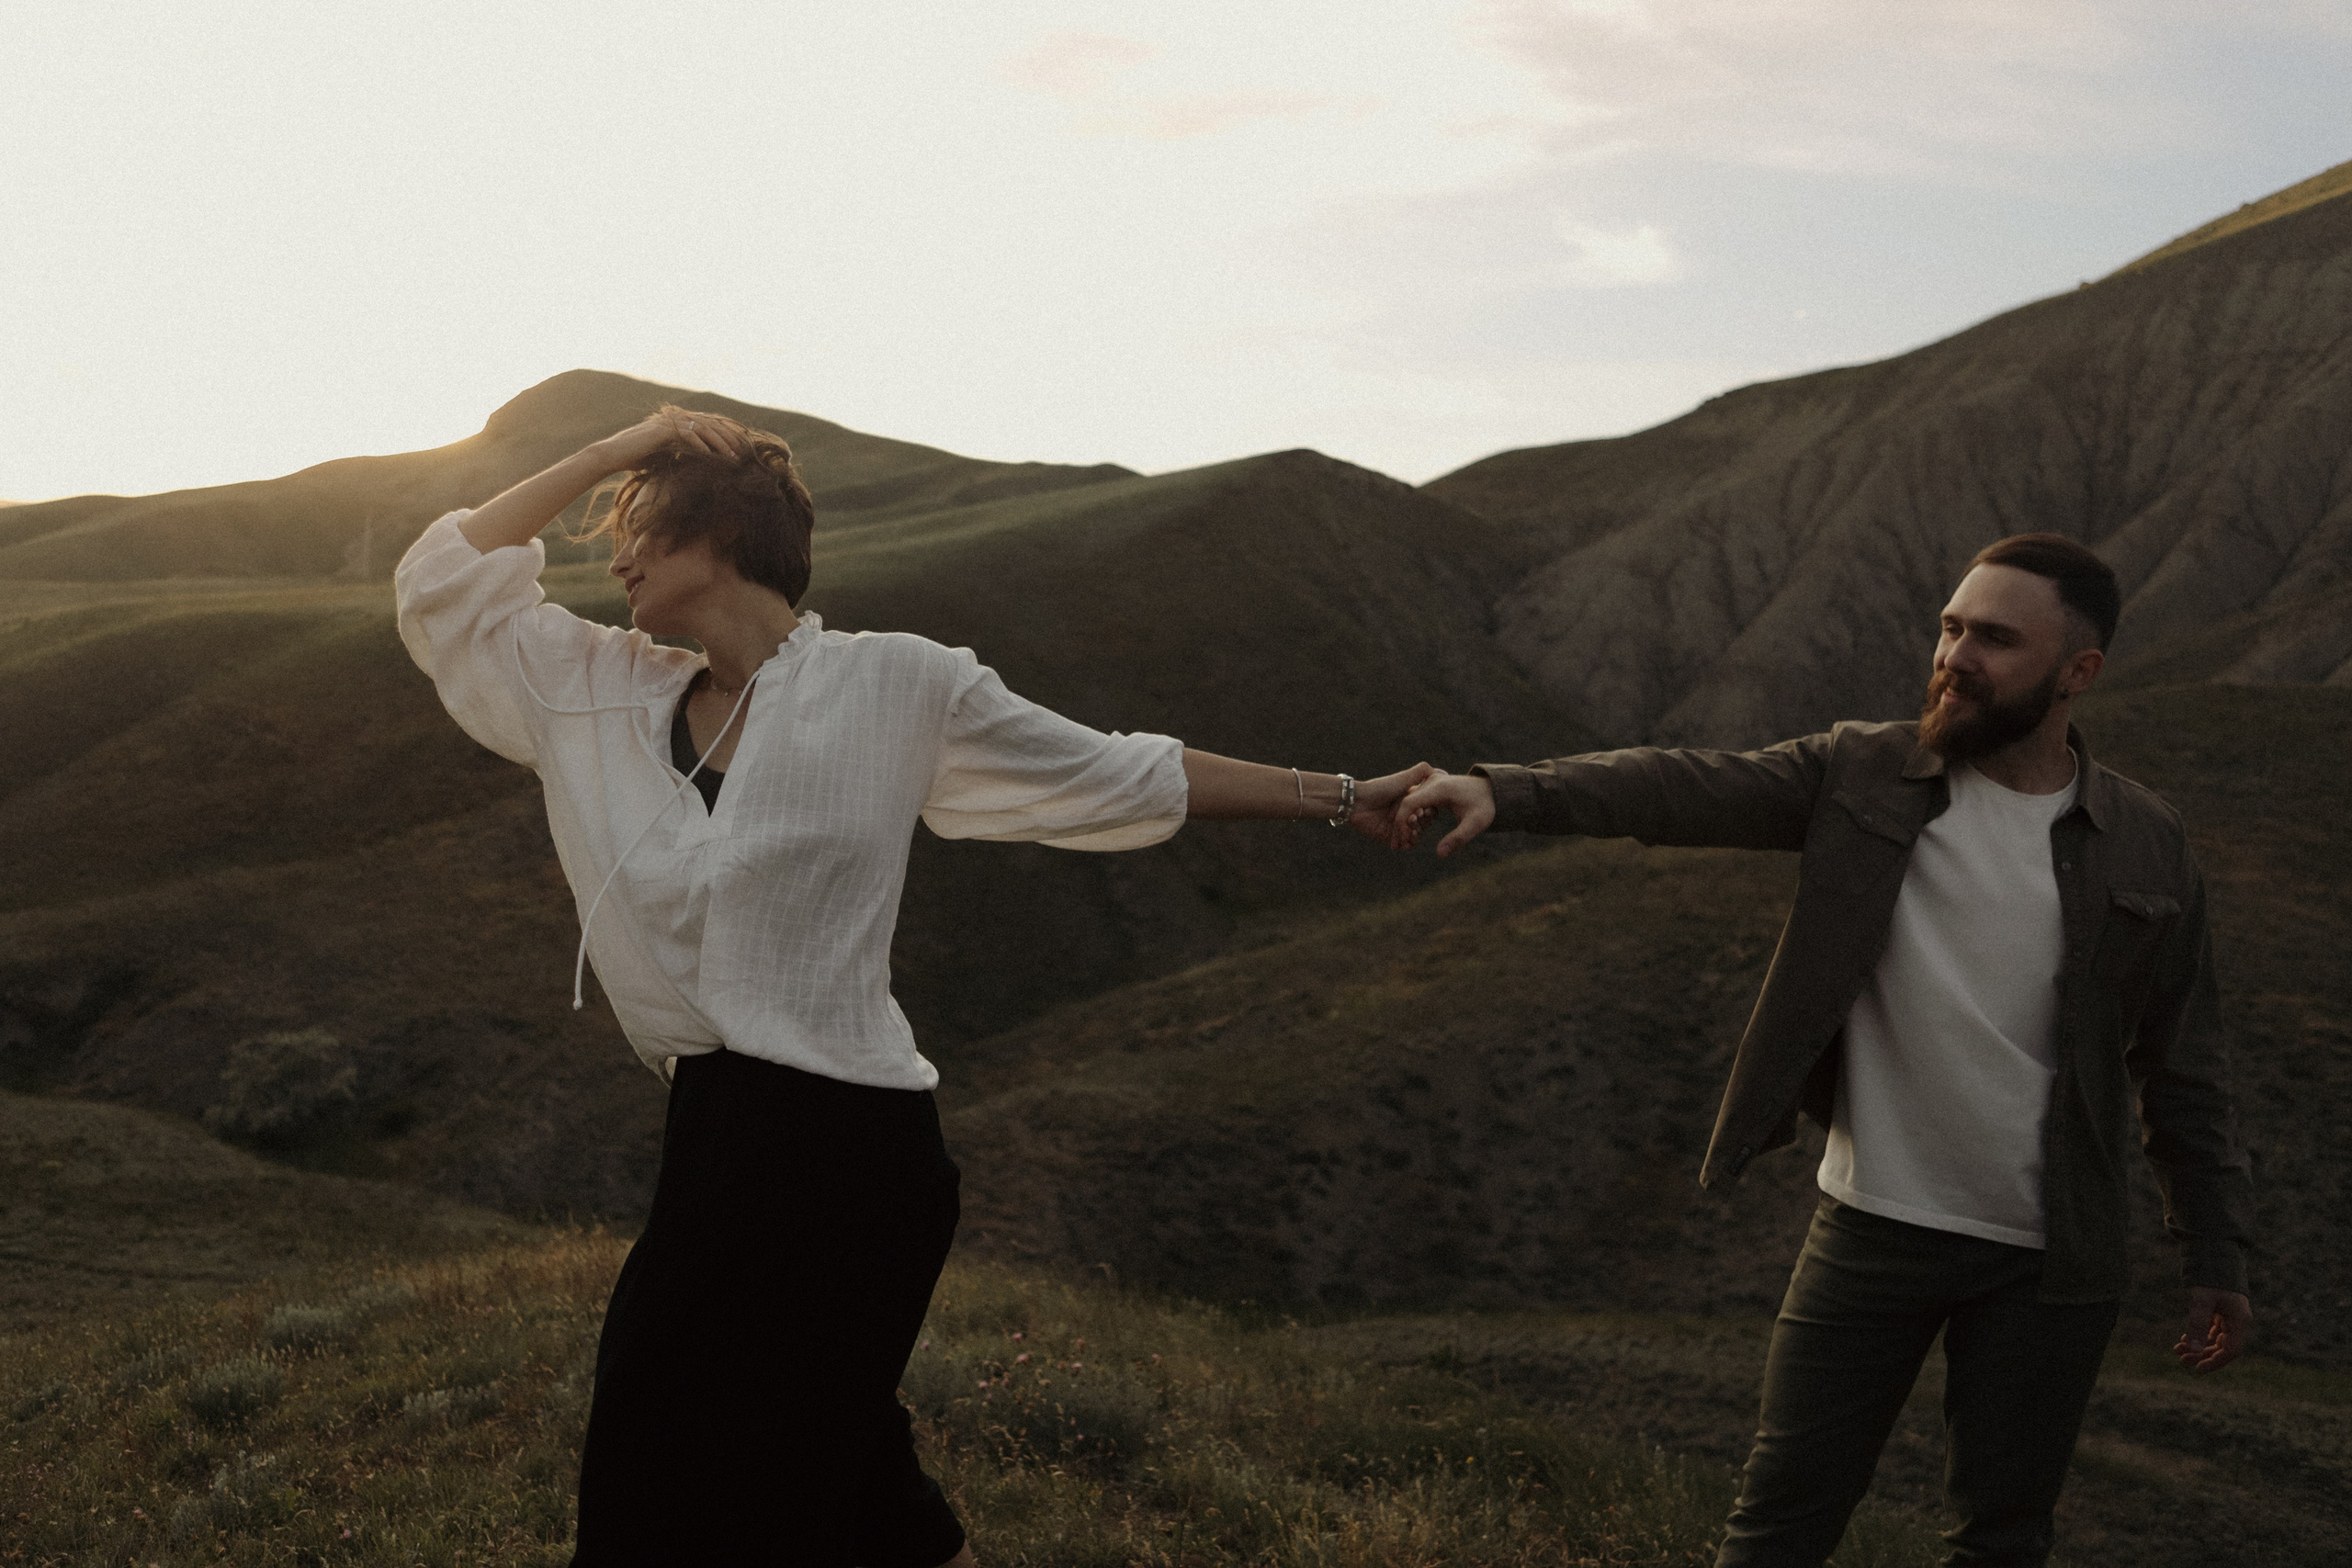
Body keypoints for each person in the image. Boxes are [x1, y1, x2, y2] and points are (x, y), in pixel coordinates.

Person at [393, 406, 1430, 1567]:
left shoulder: (894, 685)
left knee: (734, 1459)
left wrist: (1347, 797)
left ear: (720, 539)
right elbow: (444, 582)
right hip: (716, 1133)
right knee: (755, 1468)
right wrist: (605, 450)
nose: (617, 556)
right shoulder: (593, 690)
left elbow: (1119, 770)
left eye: (641, 527)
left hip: (855, 1146)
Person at [1397, 534, 2254, 1568]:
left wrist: (2215, 1254)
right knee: (1776, 1534)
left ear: (2078, 673)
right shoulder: (1863, 773)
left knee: (2003, 1540)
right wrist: (1509, 792)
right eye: (1948, 627)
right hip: (1873, 1230)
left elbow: (2183, 1069)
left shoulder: (2148, 842)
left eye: (1992, 638)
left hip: (2052, 1262)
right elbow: (1680, 786)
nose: (1953, 656)